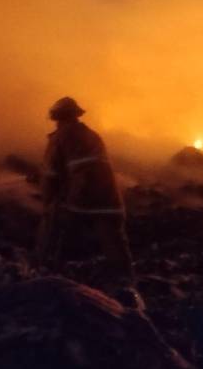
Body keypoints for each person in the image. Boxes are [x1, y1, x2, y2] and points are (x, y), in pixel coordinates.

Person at [36, 97, 135, 290]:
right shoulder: (92, 136)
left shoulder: (60, 137)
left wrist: (48, 204)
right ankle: (128, 285)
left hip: (78, 204)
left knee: (54, 241)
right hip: (109, 202)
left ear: (56, 117)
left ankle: (51, 280)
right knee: (115, 247)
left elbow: (50, 175)